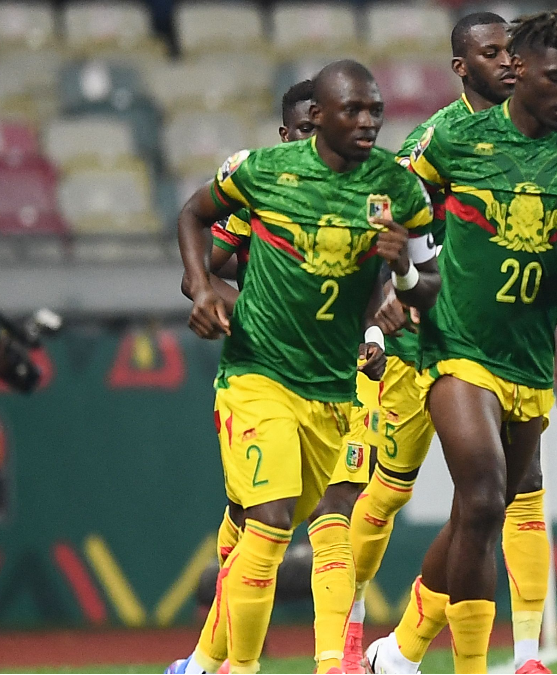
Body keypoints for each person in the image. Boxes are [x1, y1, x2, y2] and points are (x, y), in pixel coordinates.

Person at [366, 11, 557, 674]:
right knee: (483, 498)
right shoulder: (454, 138)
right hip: (455, 347)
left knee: (475, 517)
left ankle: (398, 651)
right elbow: (390, 207)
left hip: (528, 358)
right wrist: (388, 297)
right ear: (518, 71)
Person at [169, 60, 435, 675]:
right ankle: (244, 667)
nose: (369, 121)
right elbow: (192, 215)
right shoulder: (261, 172)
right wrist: (204, 289)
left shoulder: (398, 191)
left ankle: (206, 664)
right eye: (355, 110)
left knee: (300, 522)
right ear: (316, 116)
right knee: (268, 521)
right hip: (257, 374)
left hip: (337, 387)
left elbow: (428, 291)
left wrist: (404, 274)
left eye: (376, 110)